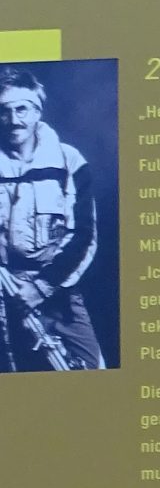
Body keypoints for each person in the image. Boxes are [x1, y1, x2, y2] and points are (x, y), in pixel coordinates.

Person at [0, 66, 104, 370]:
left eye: (22, 109)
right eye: (4, 111)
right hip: (4, 288)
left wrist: (40, 288)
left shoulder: (68, 160)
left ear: (37, 111)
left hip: (56, 290)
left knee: (92, 371)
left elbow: (83, 235)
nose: (13, 120)